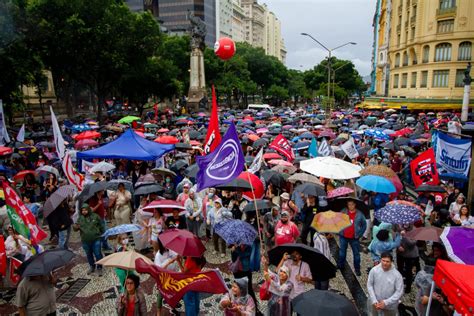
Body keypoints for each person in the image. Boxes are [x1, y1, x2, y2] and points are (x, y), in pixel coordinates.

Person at [338, 199, 367, 276]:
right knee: (342, 253)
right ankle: (341, 265)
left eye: (352, 204)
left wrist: (360, 234)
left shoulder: (360, 214)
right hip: (343, 236)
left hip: (354, 238)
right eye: (349, 204)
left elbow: (364, 225)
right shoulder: (343, 211)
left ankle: (357, 269)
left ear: (355, 205)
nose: (350, 206)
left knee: (356, 254)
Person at [73, 204, 104, 276]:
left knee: (98, 254)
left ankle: (99, 267)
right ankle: (92, 266)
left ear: (88, 209)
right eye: (82, 210)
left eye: (85, 210)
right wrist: (75, 227)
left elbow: (101, 226)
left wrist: (101, 234)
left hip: (96, 239)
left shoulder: (95, 216)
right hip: (85, 241)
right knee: (89, 254)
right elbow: (75, 229)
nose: (84, 211)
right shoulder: (80, 218)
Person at [154, 239, 178, 315]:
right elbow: (158, 269)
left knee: (173, 292)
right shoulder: (158, 255)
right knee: (161, 294)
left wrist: (177, 257)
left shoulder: (170, 250)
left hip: (173, 275)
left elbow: (176, 255)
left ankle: (172, 308)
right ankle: (158, 312)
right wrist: (169, 262)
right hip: (164, 278)